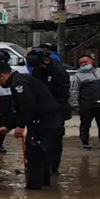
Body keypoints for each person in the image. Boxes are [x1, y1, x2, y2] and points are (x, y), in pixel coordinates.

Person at [0, 61, 63, 190]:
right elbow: (19, 109)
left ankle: (34, 190)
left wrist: (21, 126)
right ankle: (45, 187)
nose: (0, 85)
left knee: (34, 156)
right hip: (52, 121)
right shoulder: (24, 79)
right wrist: (8, 126)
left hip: (43, 122)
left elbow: (28, 106)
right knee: (44, 154)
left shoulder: (19, 83)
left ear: (2, 76)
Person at [26, 47, 70, 175]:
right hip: (40, 110)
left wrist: (54, 109)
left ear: (46, 60)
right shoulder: (36, 71)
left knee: (55, 140)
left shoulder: (59, 71)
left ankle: (53, 168)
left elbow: (63, 94)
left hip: (57, 110)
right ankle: (40, 165)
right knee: (37, 138)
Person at [69, 54, 100, 150]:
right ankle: (85, 143)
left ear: (92, 61)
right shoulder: (78, 76)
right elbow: (74, 91)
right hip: (86, 105)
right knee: (85, 124)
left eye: (85, 62)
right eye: (81, 63)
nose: (84, 64)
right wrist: (74, 104)